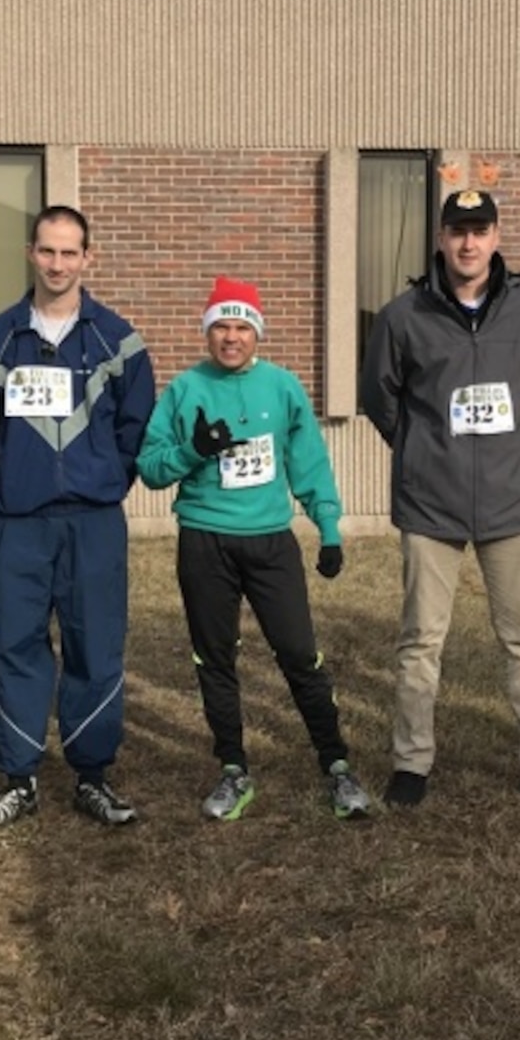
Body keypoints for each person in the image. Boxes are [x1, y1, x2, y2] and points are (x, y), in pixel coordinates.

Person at [360, 188, 520, 811]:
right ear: (440, 237)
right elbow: (381, 397)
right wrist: (422, 449)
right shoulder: (402, 316)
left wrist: (514, 446)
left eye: (479, 230)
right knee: (420, 641)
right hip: (430, 505)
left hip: (512, 504)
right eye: (457, 230)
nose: (468, 242)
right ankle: (411, 763)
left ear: (496, 235)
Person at [138, 277, 371, 821]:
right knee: (215, 659)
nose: (231, 337)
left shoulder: (283, 387)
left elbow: (309, 463)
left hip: (270, 542)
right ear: (207, 331)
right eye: (221, 325)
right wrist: (194, 451)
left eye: (242, 326)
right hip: (205, 540)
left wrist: (329, 529)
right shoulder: (184, 390)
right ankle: (232, 770)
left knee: (298, 653)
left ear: (257, 332)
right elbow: (149, 469)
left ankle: (337, 765)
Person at [0, 205, 155, 827]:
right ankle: (17, 776)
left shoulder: (118, 341)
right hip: (17, 523)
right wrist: (9, 480)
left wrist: (103, 480)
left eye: (69, 252)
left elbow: (135, 429)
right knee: (14, 645)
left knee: (94, 644)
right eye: (47, 251)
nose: (57, 264)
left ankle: (92, 774)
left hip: (93, 522)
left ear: (88, 259)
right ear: (30, 253)